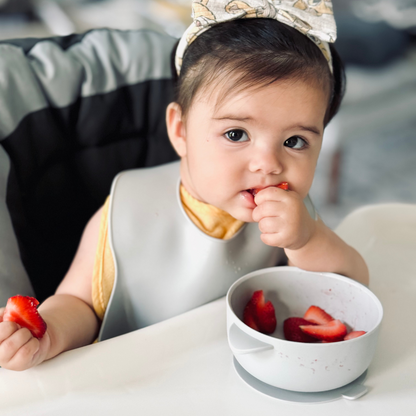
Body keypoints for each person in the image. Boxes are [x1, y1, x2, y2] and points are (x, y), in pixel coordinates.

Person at [0, 0, 368, 371]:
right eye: (236, 133)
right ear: (180, 130)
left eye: (295, 142)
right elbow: (78, 304)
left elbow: (352, 290)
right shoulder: (128, 209)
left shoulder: (295, 219)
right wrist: (47, 332)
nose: (269, 164)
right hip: (140, 380)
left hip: (243, 379)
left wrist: (307, 240)